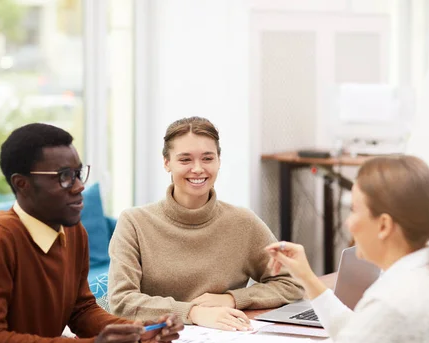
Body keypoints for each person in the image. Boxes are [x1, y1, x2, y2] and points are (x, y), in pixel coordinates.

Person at [0, 123, 183, 343]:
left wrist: (136, 332)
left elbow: (81, 310)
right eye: (64, 177)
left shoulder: (74, 232)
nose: (79, 186)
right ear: (22, 184)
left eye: (78, 173)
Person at [269, 155, 429, 343]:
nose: (348, 223)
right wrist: (306, 277)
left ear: (384, 225)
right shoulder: (428, 272)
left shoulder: (393, 301)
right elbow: (361, 333)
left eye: (354, 210)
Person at [108, 116, 303, 331]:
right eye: (185, 160)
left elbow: (291, 283)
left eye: (207, 158)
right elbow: (121, 301)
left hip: (225, 339)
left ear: (219, 160)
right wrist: (192, 312)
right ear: (167, 163)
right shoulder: (134, 222)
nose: (198, 169)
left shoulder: (243, 222)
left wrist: (233, 299)